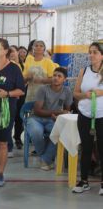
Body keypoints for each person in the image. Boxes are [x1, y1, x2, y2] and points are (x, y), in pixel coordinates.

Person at [0, 38, 25, 186]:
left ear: (5, 51)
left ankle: (0, 174)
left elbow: (21, 90)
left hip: (5, 111)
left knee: (2, 143)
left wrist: (7, 94)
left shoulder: (14, 68)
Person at [27, 67, 72, 170]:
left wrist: (59, 116)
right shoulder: (43, 89)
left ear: (64, 79)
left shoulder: (67, 91)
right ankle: (47, 159)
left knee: (59, 133)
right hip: (36, 118)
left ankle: (45, 160)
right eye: (54, 75)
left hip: (53, 120)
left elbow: (66, 111)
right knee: (36, 132)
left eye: (59, 76)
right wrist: (58, 112)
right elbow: (38, 110)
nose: (56, 78)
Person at [72, 42, 103, 195]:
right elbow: (75, 93)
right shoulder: (83, 71)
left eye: (95, 52)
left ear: (102, 55)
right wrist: (85, 95)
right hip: (85, 115)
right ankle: (83, 181)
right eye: (90, 52)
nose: (91, 55)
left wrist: (100, 93)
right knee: (86, 148)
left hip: (102, 116)